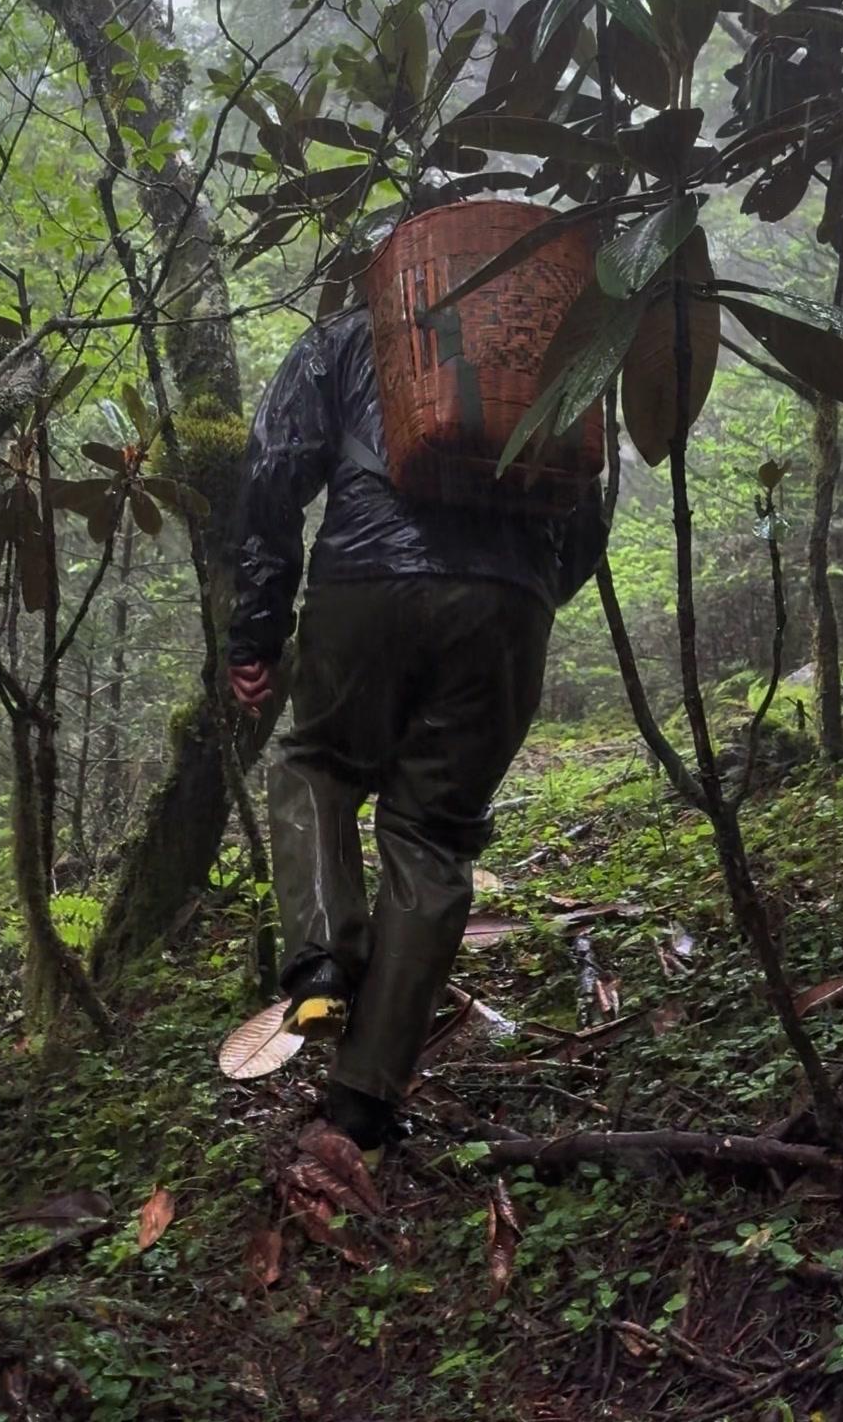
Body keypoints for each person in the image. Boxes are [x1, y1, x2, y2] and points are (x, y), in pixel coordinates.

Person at [227, 301, 608, 1159]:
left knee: (316, 764)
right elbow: (586, 509)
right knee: (433, 836)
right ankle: (365, 1098)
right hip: (511, 601)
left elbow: (273, 471)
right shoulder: (547, 344)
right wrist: (523, 602)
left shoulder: (348, 336)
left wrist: (255, 629)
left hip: (364, 579)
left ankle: (321, 960)